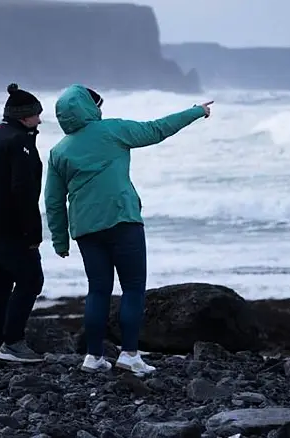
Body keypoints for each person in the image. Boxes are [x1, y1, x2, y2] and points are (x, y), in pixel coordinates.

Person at [44, 84, 212, 375]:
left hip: (85, 227)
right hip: (122, 220)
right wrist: (196, 112)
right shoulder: (112, 130)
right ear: (89, 107)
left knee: (98, 291)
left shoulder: (58, 151)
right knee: (133, 289)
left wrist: (60, 240)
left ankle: (93, 357)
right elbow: (156, 129)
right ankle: (130, 355)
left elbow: (53, 201)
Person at [0, 83, 46, 363]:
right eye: (36, 115)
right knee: (31, 280)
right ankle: (13, 343)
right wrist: (33, 233)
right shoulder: (19, 141)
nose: (40, 120)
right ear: (24, 117)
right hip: (7, 225)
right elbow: (23, 191)